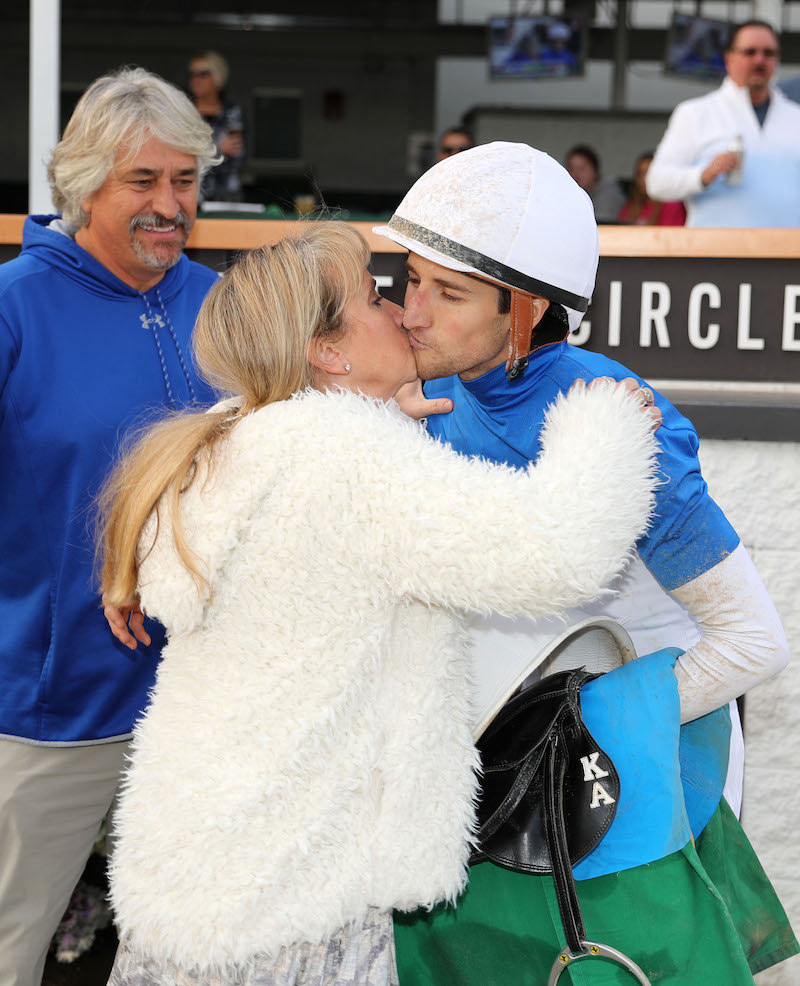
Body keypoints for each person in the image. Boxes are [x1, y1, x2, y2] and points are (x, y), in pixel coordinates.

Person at [97, 221, 661, 983]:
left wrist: (387, 421)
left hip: (203, 869)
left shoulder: (247, 436)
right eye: (375, 298)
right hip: (287, 893)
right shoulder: (342, 457)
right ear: (329, 351)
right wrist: (608, 423)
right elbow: (554, 553)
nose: (403, 311)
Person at [372, 140, 797, 983]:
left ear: (524, 313)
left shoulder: (623, 427)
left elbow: (754, 643)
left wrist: (586, 720)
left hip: (620, 780)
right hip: (480, 773)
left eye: (447, 292)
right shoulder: (410, 392)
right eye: (410, 278)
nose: (410, 311)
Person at [0, 67, 220, 986]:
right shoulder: (14, 307)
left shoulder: (223, 304)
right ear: (84, 183)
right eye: (144, 182)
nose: (169, 206)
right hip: (46, 715)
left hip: (206, 710)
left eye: (186, 181)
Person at [647, 19, 800, 227]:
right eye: (749, 52)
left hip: (788, 253)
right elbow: (657, 183)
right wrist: (703, 175)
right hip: (717, 254)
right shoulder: (696, 113)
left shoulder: (795, 117)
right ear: (728, 59)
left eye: (768, 53)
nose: (760, 60)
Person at [188, 50, 245, 202]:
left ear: (218, 77)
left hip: (228, 195)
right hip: (193, 194)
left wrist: (206, 151)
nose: (196, 79)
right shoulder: (183, 111)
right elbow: (181, 152)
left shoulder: (232, 111)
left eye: (203, 74)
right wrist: (217, 148)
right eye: (193, 74)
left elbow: (238, 154)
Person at [618, 151, 686, 225]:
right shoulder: (631, 206)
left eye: (648, 174)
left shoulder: (672, 205)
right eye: (639, 174)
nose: (643, 180)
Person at [565, 144, 626, 224]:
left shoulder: (609, 194)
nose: (576, 174)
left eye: (582, 169)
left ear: (595, 171)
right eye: (571, 169)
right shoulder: (569, 194)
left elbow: (602, 227)